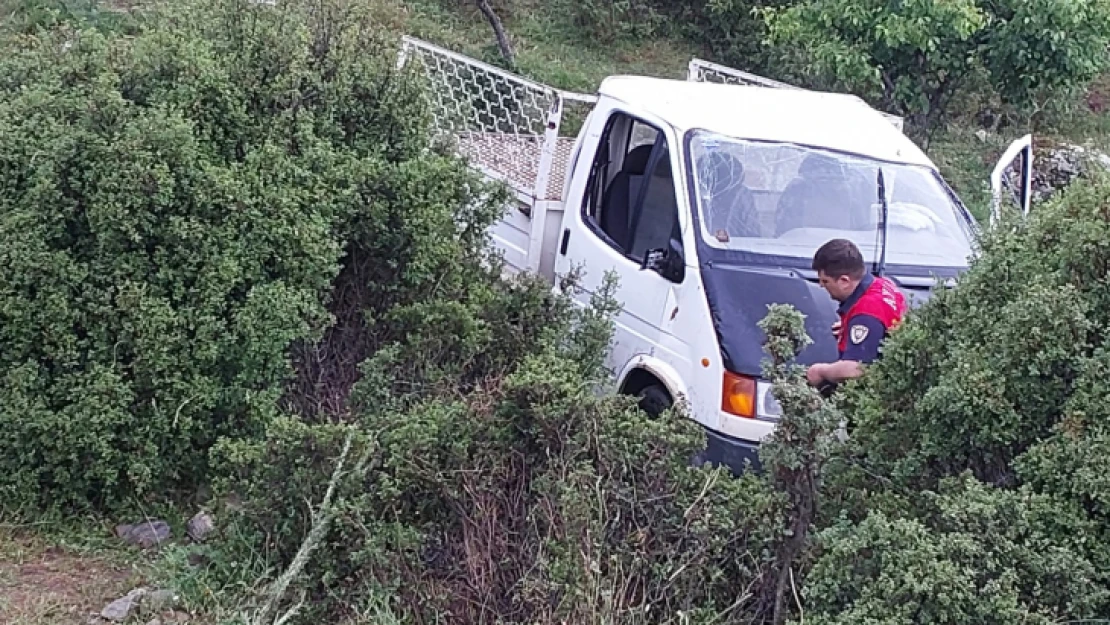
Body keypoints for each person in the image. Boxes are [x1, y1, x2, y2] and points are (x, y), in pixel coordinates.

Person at [806, 238, 907, 389]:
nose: (821, 285)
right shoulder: (882, 284)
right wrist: (851, 326)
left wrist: (821, 371)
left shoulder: (867, 314)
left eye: (825, 281)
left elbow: (855, 369)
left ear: (844, 281)